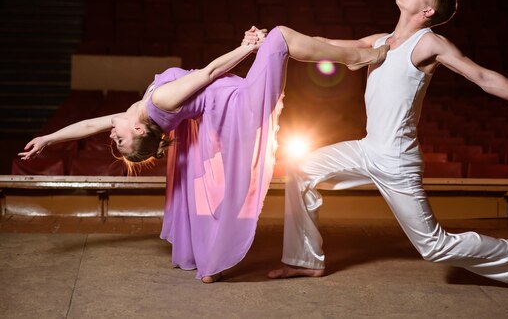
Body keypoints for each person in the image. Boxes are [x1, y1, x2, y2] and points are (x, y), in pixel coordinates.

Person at [267, 0, 508, 294]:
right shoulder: (380, 41)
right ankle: (305, 259)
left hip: (397, 159)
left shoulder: (430, 43)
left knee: (433, 247)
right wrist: (272, 43)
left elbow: (484, 77)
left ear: (428, 10)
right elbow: (326, 44)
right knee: (300, 168)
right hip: (367, 149)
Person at [18, 26, 389, 283]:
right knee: (280, 37)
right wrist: (247, 47)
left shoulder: (135, 112)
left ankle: (355, 50)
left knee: (287, 42)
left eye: (114, 139)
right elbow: (210, 71)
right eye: (122, 142)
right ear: (139, 132)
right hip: (238, 106)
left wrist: (49, 138)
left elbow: (86, 126)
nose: (113, 135)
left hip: (226, 105)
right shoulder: (158, 102)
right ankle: (354, 57)